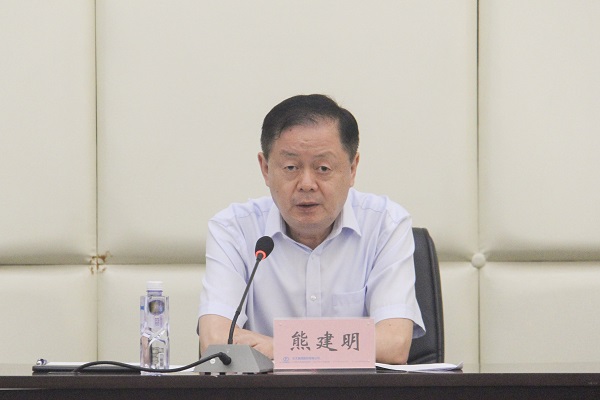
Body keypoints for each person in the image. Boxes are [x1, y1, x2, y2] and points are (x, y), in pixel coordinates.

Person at [198, 94, 424, 365]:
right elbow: (215, 339)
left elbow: (394, 343)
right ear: (266, 169)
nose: (306, 183)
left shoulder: (385, 225)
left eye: (323, 168)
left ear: (352, 169)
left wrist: (281, 347)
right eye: (291, 167)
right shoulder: (234, 229)